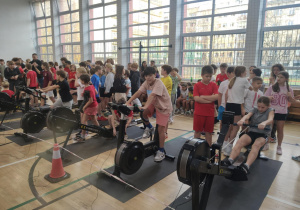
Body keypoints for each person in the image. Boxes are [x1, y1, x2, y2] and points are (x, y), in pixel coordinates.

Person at [126, 67, 172, 162]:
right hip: (155, 104)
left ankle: (161, 151)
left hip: (164, 107)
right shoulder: (146, 83)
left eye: (150, 75)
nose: (148, 78)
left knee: (161, 130)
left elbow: (152, 95)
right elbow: (138, 92)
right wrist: (128, 102)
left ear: (155, 75)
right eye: (146, 76)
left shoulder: (158, 83)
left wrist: (145, 106)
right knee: (143, 113)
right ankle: (149, 127)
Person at [221, 96, 274, 174]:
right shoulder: (255, 109)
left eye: (263, 107)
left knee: (256, 145)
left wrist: (264, 123)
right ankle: (230, 160)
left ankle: (246, 166)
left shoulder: (270, 110)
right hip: (252, 132)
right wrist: (242, 120)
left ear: (268, 106)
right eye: (259, 106)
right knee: (240, 141)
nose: (260, 109)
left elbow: (270, 119)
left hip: (263, 134)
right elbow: (247, 115)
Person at [264, 71, 298, 155]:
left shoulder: (288, 89)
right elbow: (264, 97)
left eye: (281, 77)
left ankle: (279, 146)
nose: (278, 78)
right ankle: (266, 143)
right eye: (278, 77)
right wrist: (269, 97)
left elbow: (292, 101)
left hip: (282, 112)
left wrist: (290, 97)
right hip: (272, 110)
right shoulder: (272, 87)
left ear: (286, 79)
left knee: (280, 129)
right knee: (269, 128)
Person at [224, 66, 251, 155]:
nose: (246, 73)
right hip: (236, 105)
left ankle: (224, 145)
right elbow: (251, 88)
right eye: (246, 72)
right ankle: (229, 148)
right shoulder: (244, 80)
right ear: (242, 72)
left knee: (228, 126)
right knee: (236, 127)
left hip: (229, 104)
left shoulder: (233, 80)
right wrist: (249, 80)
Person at [193, 65, 219, 146]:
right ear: (202, 75)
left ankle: (208, 150)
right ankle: (195, 148)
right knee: (197, 132)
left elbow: (217, 97)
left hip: (209, 113)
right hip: (199, 113)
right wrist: (210, 100)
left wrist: (203, 97)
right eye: (206, 76)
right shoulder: (197, 85)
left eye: (210, 76)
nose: (208, 78)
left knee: (209, 133)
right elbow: (197, 99)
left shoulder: (213, 85)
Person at [73, 74, 100, 143]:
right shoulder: (91, 86)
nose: (80, 81)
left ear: (83, 81)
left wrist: (84, 107)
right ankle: (100, 131)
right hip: (94, 105)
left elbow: (90, 100)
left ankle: (82, 136)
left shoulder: (87, 88)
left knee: (83, 121)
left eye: (81, 80)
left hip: (91, 106)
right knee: (94, 119)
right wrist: (84, 94)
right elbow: (96, 92)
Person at [218, 66, 235, 151]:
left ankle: (227, 141)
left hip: (232, 106)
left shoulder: (237, 83)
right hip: (223, 106)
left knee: (231, 126)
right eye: (233, 73)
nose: (235, 75)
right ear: (228, 74)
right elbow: (220, 95)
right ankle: (221, 140)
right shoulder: (223, 83)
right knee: (222, 124)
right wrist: (219, 106)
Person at [160, 65, 173, 139]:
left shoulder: (168, 79)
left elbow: (162, 89)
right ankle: (161, 131)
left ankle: (165, 132)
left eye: (162, 70)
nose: (161, 71)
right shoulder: (161, 78)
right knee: (161, 117)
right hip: (160, 100)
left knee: (165, 117)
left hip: (166, 100)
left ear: (165, 71)